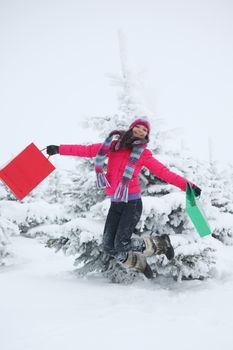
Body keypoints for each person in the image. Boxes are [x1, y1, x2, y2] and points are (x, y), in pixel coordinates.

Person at [46, 118, 201, 279]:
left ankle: (162, 243)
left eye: (145, 130)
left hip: (132, 203)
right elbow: (87, 150)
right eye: (138, 127)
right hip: (116, 202)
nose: (140, 131)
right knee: (108, 246)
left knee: (122, 243)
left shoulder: (143, 154)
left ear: (147, 135)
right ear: (131, 128)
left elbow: (164, 172)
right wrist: (59, 149)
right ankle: (139, 262)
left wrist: (189, 186)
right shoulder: (113, 146)